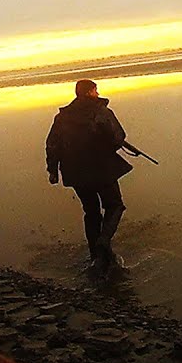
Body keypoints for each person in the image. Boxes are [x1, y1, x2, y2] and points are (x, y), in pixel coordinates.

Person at [46, 79, 132, 274]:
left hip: (75, 172)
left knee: (91, 212)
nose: (98, 93)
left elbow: (52, 145)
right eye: (95, 90)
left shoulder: (62, 117)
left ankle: (96, 257)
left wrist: (53, 170)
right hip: (101, 169)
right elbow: (118, 137)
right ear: (89, 92)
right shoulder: (101, 112)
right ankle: (103, 242)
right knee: (115, 205)